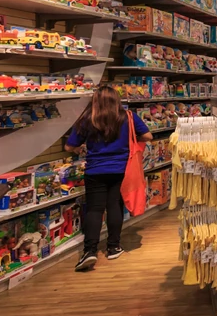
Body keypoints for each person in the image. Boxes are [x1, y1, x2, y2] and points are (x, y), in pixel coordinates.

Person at [65, 85, 152, 271]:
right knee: (114, 206)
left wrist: (80, 148)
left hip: (95, 170)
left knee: (94, 210)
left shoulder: (87, 118)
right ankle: (113, 247)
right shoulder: (127, 117)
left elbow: (69, 146)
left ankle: (90, 251)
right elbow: (147, 135)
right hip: (121, 169)